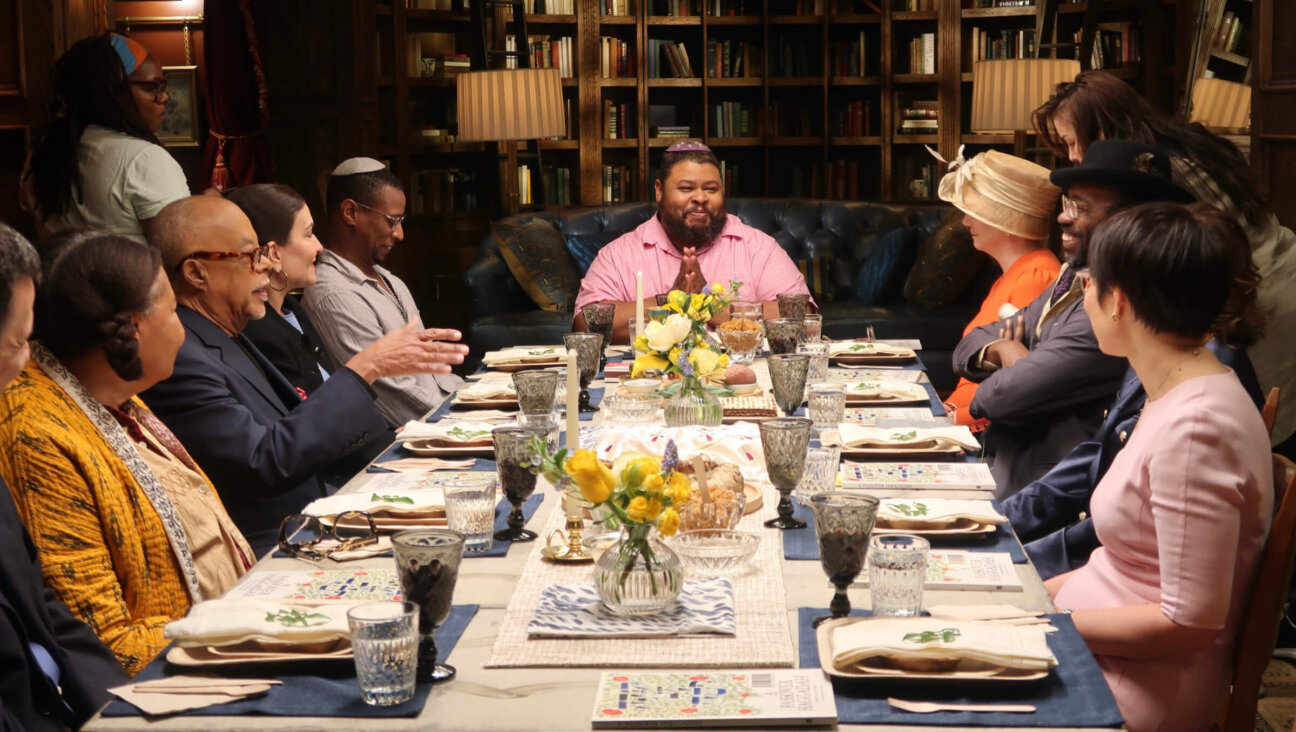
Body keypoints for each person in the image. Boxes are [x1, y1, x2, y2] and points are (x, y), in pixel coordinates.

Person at [1047, 202, 1273, 732]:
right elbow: (1126, 568)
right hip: (1100, 658)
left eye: (1089, 282)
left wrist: (1045, 622)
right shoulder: (1176, 390)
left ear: (1119, 300)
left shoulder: (1198, 426)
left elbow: (1188, 622)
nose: (1084, 295)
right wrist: (1025, 598)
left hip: (1130, 693)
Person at [141, 196, 469, 553]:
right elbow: (263, 462)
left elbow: (294, 430)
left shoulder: (227, 332)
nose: (266, 265)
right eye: (250, 255)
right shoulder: (181, 356)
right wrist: (366, 367)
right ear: (196, 273)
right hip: (271, 547)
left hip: (317, 515)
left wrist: (396, 443)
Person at [1001, 144, 1266, 579]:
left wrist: (1017, 566)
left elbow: (1184, 613)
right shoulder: (1173, 354)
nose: (1084, 298)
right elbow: (1097, 461)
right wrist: (999, 526)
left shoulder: (1198, 403)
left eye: (1092, 284)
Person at [0, 230, 256, 675]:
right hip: (168, 678)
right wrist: (248, 630)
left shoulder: (117, 391)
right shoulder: (35, 435)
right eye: (175, 311)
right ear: (134, 327)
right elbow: (105, 640)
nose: (183, 331)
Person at [1034, 69, 1296, 453]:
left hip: (1259, 303)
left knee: (1252, 427)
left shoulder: (1157, 179)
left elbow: (1199, 254)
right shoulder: (1180, 148)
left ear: (1103, 126)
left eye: (1073, 141)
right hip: (1275, 281)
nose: (1073, 155)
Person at [950, 140, 1190, 498]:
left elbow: (1002, 399)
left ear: (1129, 221)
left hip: (1040, 492)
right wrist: (1006, 350)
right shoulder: (1073, 278)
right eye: (1067, 202)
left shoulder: (1117, 305)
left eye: (1080, 207)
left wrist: (1011, 363)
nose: (1063, 216)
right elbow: (965, 350)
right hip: (1010, 473)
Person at [0, 223, 129, 727]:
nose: (25, 362)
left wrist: (122, 710)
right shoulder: (30, 428)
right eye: (16, 343)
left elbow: (43, 610)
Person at [573, 141, 814, 342]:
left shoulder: (757, 247)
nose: (700, 198)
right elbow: (586, 325)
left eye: (711, 189)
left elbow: (802, 317)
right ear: (659, 191)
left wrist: (710, 306)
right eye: (687, 188)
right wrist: (672, 302)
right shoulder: (619, 254)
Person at [300, 158, 463, 426]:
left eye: (401, 220)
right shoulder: (333, 295)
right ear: (350, 213)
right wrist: (467, 421)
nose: (400, 233)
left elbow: (437, 378)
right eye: (392, 220)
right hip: (415, 441)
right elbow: (395, 400)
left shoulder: (389, 279)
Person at [933, 149, 1062, 429]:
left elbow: (1014, 390)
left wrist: (944, 422)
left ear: (1005, 221)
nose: (966, 222)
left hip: (981, 430)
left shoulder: (1035, 276)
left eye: (976, 213)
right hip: (962, 415)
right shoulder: (1016, 273)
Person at [22, 32, 190, 242]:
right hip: (134, 275)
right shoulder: (143, 159)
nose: (164, 96)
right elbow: (183, 247)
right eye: (152, 87)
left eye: (163, 85)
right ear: (112, 91)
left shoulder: (43, 150)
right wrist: (211, 207)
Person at [226, 184, 339, 394]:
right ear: (273, 253)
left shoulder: (292, 308)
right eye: (309, 234)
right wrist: (366, 368)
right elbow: (312, 414)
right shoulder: (258, 329)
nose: (319, 246)